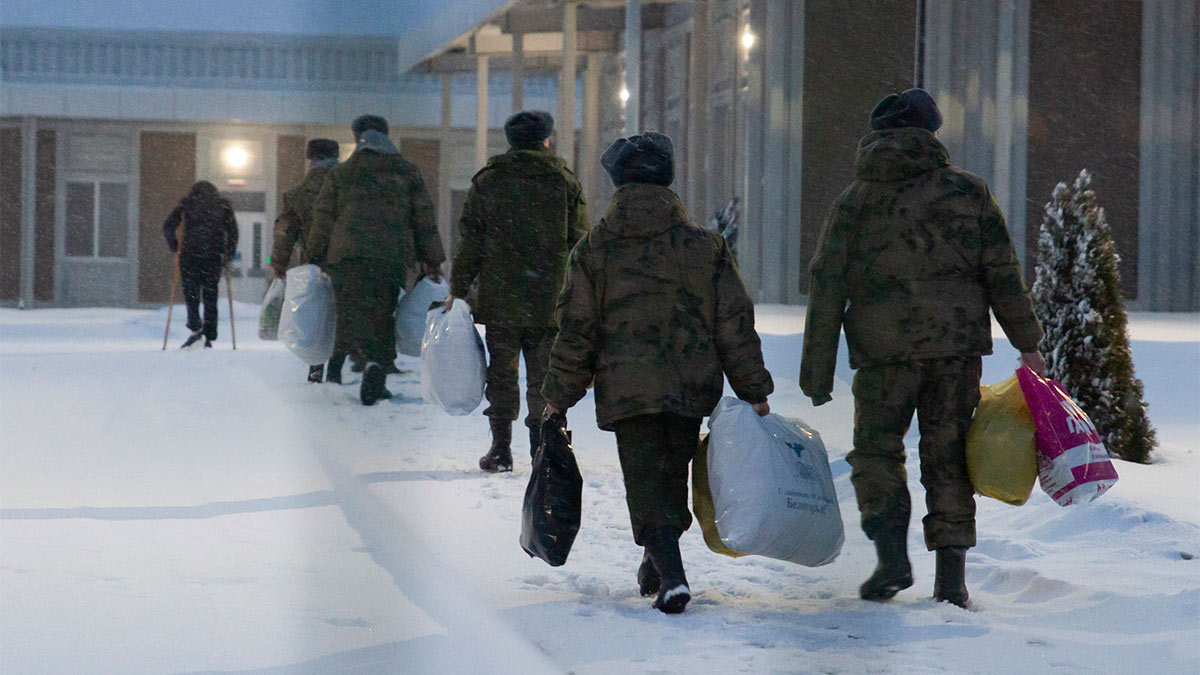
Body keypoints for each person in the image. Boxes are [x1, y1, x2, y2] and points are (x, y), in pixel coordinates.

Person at [799, 89, 1046, 608]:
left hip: (883, 353)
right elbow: (1001, 272)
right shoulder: (968, 192)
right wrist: (1028, 342)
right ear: (932, 133)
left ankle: (891, 557)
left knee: (876, 452)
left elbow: (827, 284)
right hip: (955, 349)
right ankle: (951, 578)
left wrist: (816, 371)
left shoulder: (855, 201)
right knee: (948, 454)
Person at [542, 132, 774, 615]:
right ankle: (658, 558)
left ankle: (670, 573)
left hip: (628, 386)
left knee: (645, 476)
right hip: (690, 383)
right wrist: (753, 387)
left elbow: (578, 329)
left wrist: (558, 396)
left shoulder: (595, 249)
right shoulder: (705, 247)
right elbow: (733, 322)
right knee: (670, 473)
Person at [445, 110, 589, 473]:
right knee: (544, 377)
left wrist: (458, 289)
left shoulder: (489, 181)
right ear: (546, 140)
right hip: (548, 299)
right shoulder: (564, 182)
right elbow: (580, 244)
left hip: (501, 299)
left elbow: (470, 242)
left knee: (501, 374)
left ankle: (500, 449)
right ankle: (542, 450)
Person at [307, 115, 445, 406]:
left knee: (348, 311)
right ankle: (375, 367)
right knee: (383, 314)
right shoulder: (406, 172)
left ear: (357, 136)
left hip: (347, 257)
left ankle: (346, 362)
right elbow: (423, 217)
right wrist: (432, 259)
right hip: (389, 256)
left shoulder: (342, 173)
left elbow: (323, 217)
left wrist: (314, 255)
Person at [270, 138, 343, 383]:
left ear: (311, 159)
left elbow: (285, 232)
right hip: (346, 261)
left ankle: (315, 366)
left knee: (315, 312)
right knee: (341, 313)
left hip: (313, 261)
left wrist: (279, 262)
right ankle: (337, 368)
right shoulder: (348, 188)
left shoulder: (298, 194)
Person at [162, 181, 238, 349]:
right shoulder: (222, 207)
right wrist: (228, 254)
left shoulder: (186, 206)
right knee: (210, 295)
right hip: (212, 257)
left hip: (190, 256)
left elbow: (168, 227)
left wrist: (175, 247)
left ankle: (195, 329)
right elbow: (233, 232)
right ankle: (209, 334)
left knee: (192, 294)